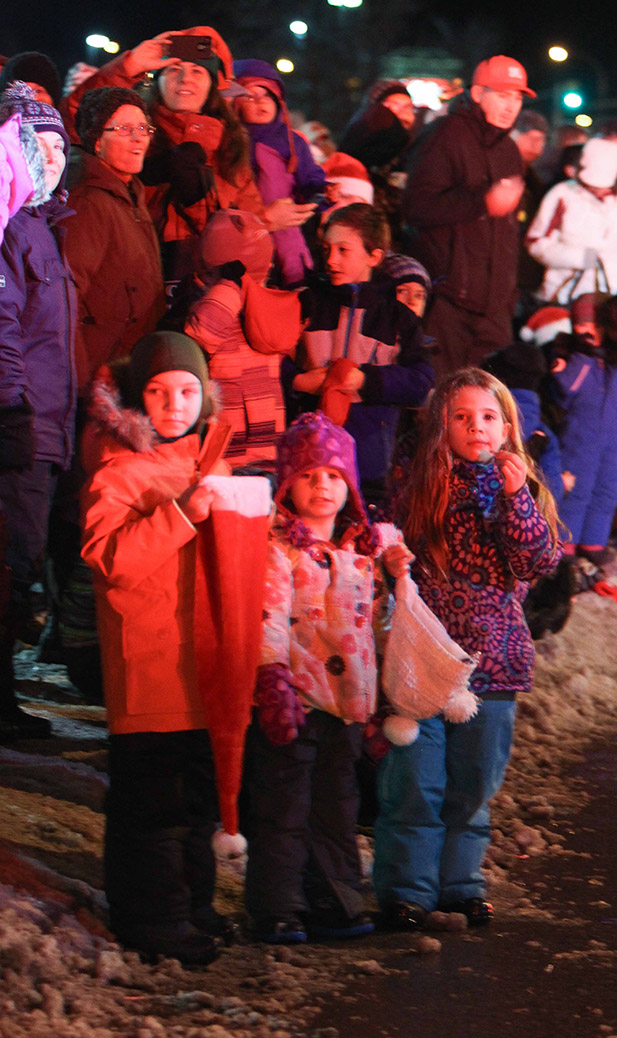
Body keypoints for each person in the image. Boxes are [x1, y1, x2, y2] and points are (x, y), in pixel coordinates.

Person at [373, 368, 562, 930]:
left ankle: (460, 884)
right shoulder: (420, 482)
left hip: (494, 661)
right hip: (424, 657)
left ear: (506, 427)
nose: (474, 427)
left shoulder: (521, 489)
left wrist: (515, 497)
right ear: (442, 426)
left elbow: (538, 562)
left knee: (474, 782)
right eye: (461, 417)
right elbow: (388, 539)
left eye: (487, 417)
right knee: (416, 780)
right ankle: (407, 889)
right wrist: (390, 561)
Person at [81, 331, 240, 965]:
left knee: (195, 802)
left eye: (187, 391)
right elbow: (109, 558)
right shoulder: (118, 472)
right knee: (153, 806)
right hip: (148, 665)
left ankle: (192, 906)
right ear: (137, 400)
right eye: (158, 392)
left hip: (201, 664)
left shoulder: (210, 467)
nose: (174, 404)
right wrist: (183, 515)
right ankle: (151, 917)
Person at [246, 410, 411, 943]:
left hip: (346, 705)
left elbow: (381, 624)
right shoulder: (280, 549)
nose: (323, 486)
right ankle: (278, 906)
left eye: (335, 476)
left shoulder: (360, 553)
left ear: (351, 487)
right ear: (288, 484)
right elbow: (267, 614)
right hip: (296, 701)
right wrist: (270, 675)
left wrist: (385, 696)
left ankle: (336, 899)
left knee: (336, 808)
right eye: (310, 475)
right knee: (282, 808)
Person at [64, 28, 313, 291]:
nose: (185, 79)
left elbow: (246, 226)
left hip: (208, 295)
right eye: (174, 69)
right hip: (132, 284)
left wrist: (210, 204)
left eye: (198, 71)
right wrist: (128, 66)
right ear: (157, 81)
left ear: (212, 86)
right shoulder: (131, 128)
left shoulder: (230, 144)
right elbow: (75, 119)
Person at [0, 83, 76, 741]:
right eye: (37, 146)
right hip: (25, 424)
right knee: (9, 566)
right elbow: (4, 326)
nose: (50, 160)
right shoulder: (13, 230)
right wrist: (13, 411)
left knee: (20, 566)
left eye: (57, 149)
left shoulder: (40, 227)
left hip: (48, 425)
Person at [284, 203, 434, 509]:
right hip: (308, 462)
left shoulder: (397, 319)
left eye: (343, 250)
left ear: (373, 256)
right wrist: (298, 381)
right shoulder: (308, 303)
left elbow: (421, 382)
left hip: (367, 464)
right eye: (326, 249)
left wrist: (366, 380)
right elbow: (274, 358)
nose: (331, 259)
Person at [403, 55, 532, 377]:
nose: (511, 106)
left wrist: (508, 295)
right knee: (439, 406)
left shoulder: (509, 150)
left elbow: (506, 233)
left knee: (488, 408)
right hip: (448, 305)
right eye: (502, 95)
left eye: (516, 98)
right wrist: (482, 202)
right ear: (477, 94)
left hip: (494, 312)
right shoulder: (444, 135)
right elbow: (416, 207)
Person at [67, 86, 166, 391]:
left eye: (142, 128)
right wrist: (84, 379)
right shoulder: (89, 203)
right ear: (97, 140)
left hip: (128, 367)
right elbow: (67, 299)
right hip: (99, 377)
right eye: (124, 129)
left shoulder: (132, 193)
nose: (138, 138)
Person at [233, 59, 325, 286]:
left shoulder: (291, 141)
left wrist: (321, 193)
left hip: (287, 226)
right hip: (245, 230)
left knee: (293, 276)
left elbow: (309, 177)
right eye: (249, 96)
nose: (259, 102)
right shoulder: (230, 142)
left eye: (267, 95)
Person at [548, 293, 617, 566]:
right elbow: (565, 389)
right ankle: (566, 541)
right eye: (583, 328)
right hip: (580, 438)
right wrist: (582, 355)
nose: (591, 334)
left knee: (607, 487)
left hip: (611, 439)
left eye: (596, 328)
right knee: (576, 489)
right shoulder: (578, 359)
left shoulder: (611, 364)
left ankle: (593, 539)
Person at [526, 137, 617, 305]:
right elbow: (535, 242)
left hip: (609, 298)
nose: (597, 190)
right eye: (592, 185)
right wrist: (582, 258)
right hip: (564, 295)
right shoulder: (563, 195)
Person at [339, 79, 416, 250]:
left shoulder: (415, 149)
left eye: (408, 106)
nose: (403, 112)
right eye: (394, 105)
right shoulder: (362, 146)